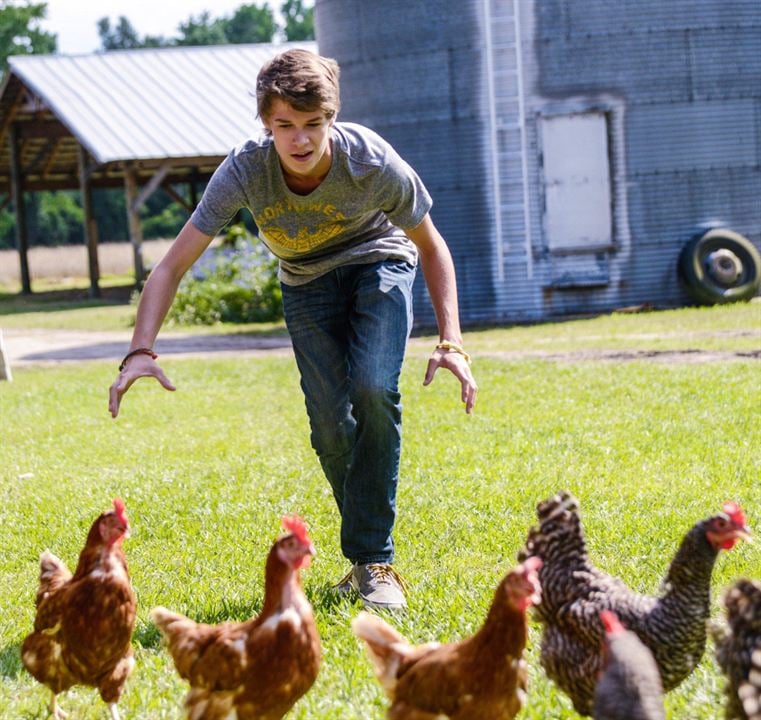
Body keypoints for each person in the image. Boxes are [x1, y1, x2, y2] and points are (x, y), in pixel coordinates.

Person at [108, 48, 477, 611]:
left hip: (378, 261)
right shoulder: (244, 169)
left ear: (331, 117)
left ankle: (374, 560)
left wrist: (450, 341)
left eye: (313, 124)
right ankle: (364, 564)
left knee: (375, 386)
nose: (300, 140)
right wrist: (140, 349)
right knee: (329, 423)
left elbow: (431, 245)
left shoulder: (373, 163)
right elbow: (172, 263)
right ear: (265, 123)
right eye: (284, 126)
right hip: (305, 282)